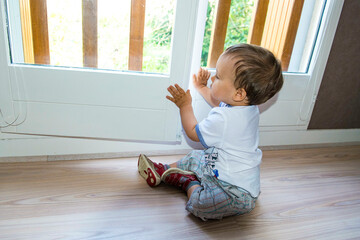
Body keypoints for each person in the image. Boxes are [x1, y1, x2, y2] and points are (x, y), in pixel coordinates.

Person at [138, 43, 283, 221]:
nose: (213, 78)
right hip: (226, 172)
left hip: (235, 193)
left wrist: (185, 105)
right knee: (196, 157)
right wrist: (201, 87)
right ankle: (164, 171)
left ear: (239, 93)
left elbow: (193, 132)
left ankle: (187, 181)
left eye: (219, 77)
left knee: (200, 206)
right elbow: (218, 103)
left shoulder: (225, 119)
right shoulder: (248, 108)